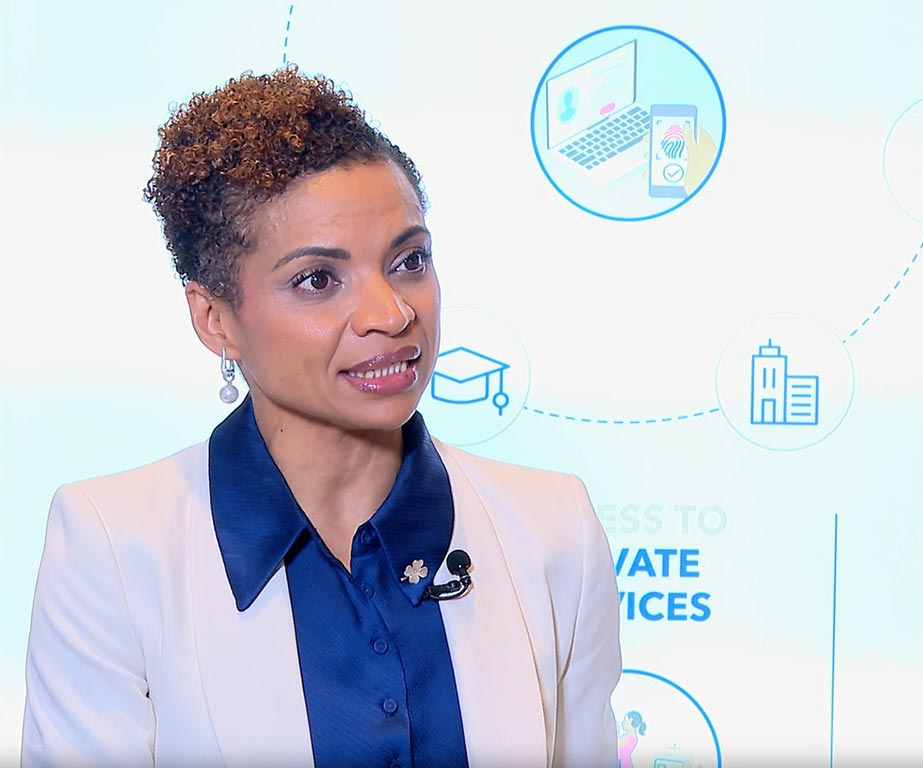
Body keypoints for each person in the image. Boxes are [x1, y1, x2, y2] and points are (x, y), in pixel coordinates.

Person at [21, 66, 621, 767]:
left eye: (409, 261)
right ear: (215, 319)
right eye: (317, 280)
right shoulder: (114, 547)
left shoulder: (554, 529)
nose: (390, 314)